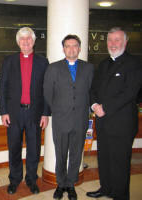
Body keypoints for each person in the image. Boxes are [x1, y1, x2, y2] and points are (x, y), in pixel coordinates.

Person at [86, 27, 142, 200]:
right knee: (104, 159)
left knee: (120, 162)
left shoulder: (134, 63)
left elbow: (130, 92)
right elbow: (93, 89)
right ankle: (106, 188)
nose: (113, 44)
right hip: (103, 122)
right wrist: (94, 105)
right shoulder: (103, 64)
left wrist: (105, 108)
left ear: (125, 42)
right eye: (110, 40)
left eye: (117, 40)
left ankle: (120, 195)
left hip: (122, 124)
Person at [0, 27, 50, 195]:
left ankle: (31, 180)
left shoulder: (43, 62)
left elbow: (47, 90)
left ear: (34, 41)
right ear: (18, 42)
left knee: (34, 149)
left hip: (34, 113)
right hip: (14, 113)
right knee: (14, 147)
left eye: (29, 39)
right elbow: (3, 87)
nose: (26, 42)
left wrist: (45, 113)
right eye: (22, 39)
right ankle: (14, 180)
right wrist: (3, 112)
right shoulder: (9, 61)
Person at [44, 34, 94, 200]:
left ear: (79, 48)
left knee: (75, 154)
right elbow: (47, 93)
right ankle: (61, 184)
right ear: (63, 48)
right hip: (61, 120)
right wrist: (59, 109)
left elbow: (91, 92)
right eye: (68, 46)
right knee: (60, 154)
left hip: (80, 120)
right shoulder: (53, 68)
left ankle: (71, 184)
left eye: (74, 46)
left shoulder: (88, 68)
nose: (71, 49)